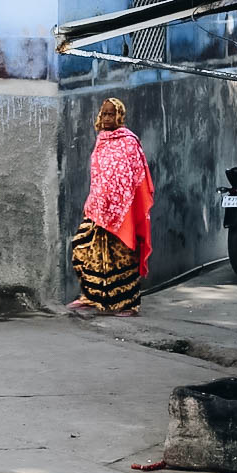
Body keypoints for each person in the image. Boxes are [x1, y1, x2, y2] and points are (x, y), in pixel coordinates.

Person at [68, 98, 154, 317]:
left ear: (119, 116)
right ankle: (91, 297)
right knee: (83, 248)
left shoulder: (129, 141)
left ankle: (129, 304)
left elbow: (135, 177)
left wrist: (120, 205)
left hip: (123, 211)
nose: (106, 118)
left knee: (122, 256)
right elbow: (99, 176)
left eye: (110, 114)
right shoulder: (102, 140)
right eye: (104, 114)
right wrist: (96, 201)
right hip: (98, 209)